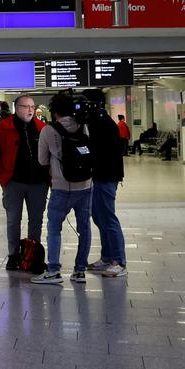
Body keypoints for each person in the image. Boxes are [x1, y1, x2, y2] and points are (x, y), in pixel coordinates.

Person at [35, 92, 93, 284]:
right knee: (84, 228)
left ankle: (53, 270)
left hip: (62, 187)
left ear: (54, 112)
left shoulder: (48, 130)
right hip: (86, 185)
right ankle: (80, 271)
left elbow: (42, 160)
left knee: (54, 228)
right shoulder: (83, 126)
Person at [0, 94, 48, 272]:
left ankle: (32, 254)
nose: (30, 110)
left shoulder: (41, 128)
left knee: (36, 220)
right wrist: (2, 175)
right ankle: (13, 255)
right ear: (16, 108)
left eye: (32, 106)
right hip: (13, 183)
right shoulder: (3, 128)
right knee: (13, 220)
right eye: (25, 106)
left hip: (38, 183)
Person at [82, 91, 127, 277]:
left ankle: (119, 261)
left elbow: (96, 150)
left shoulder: (103, 124)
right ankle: (107, 257)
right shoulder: (95, 122)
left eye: (85, 103)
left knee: (108, 218)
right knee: (99, 217)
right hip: (99, 176)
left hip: (107, 177)